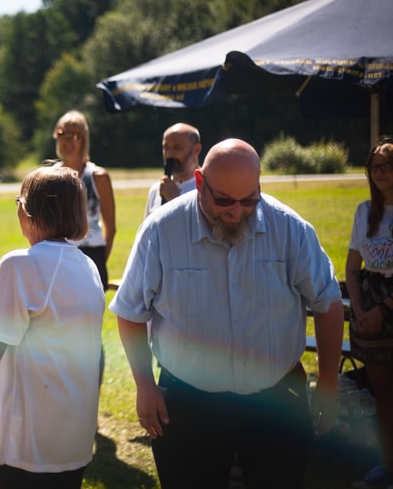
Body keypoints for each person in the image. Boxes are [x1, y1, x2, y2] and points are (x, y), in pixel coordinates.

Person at [110, 138, 344, 489]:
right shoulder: (161, 231)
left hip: (277, 401)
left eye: (249, 200)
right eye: (224, 201)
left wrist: (328, 382)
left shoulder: (290, 229)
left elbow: (328, 302)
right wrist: (144, 383)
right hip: (188, 403)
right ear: (200, 182)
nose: (236, 212)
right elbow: (130, 311)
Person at [0, 165, 105, 489]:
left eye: (18, 201)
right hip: (75, 436)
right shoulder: (88, 265)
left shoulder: (20, 264)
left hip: (32, 440)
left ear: (28, 211)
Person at [346, 137, 393, 489]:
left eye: (387, 165)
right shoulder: (364, 212)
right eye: (374, 166)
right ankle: (387, 467)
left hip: (389, 303)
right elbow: (351, 267)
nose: (380, 172)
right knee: (382, 392)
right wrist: (361, 309)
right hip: (369, 301)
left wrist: (384, 309)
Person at [51, 110, 116, 288]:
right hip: (57, 253)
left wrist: (100, 260)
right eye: (62, 134)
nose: (67, 141)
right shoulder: (49, 176)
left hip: (92, 253)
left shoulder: (98, 176)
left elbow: (110, 227)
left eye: (74, 135)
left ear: (84, 139)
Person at [144, 123, 202, 218]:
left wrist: (175, 200)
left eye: (177, 148)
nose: (169, 154)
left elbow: (203, 230)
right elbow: (148, 231)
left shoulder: (206, 189)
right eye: (166, 148)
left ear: (196, 149)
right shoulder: (156, 190)